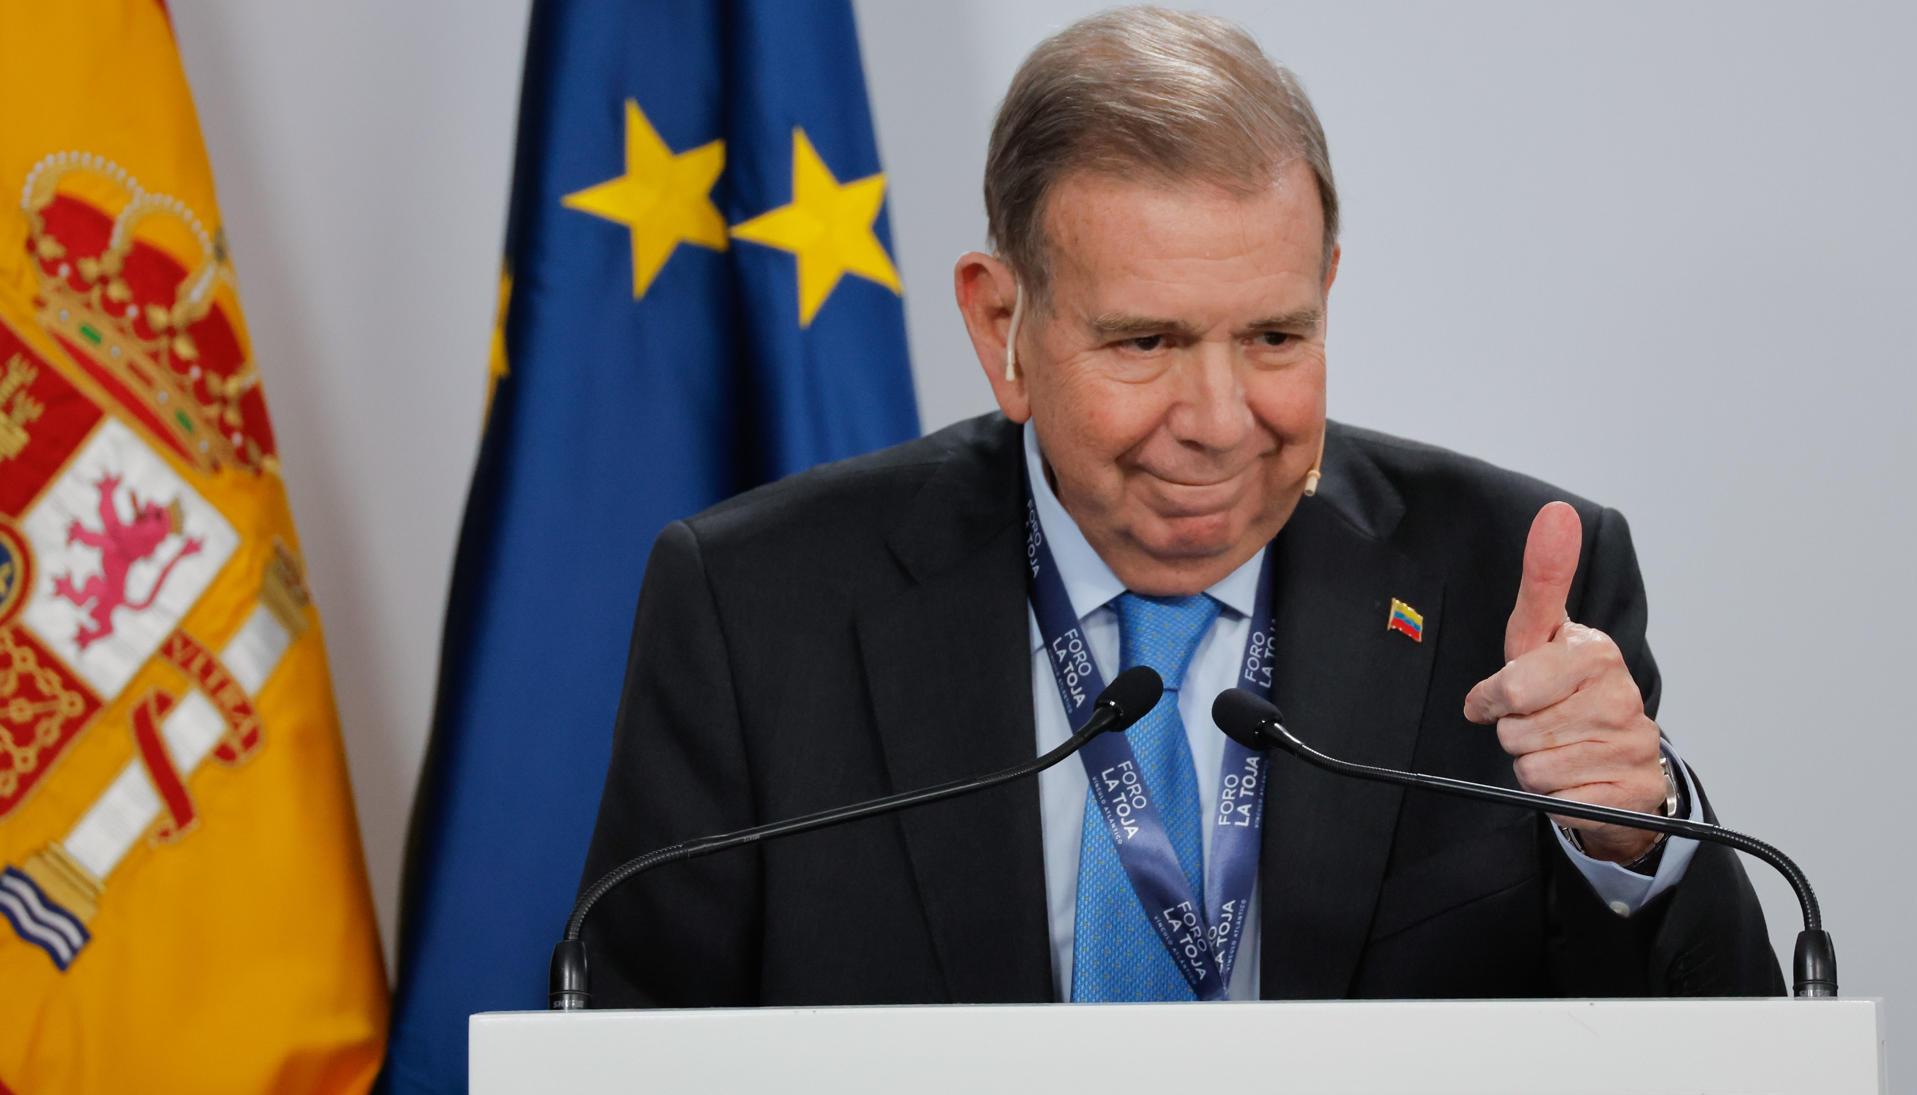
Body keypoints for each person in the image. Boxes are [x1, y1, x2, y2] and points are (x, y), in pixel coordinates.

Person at [577, 6, 1780, 1006]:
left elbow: (1730, 1049)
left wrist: (1634, 841)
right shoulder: (757, 608)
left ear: (1328, 293)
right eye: (1144, 340)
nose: (1216, 418)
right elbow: (624, 1048)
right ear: (1004, 328)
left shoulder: (1506, 585)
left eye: (1273, 335)